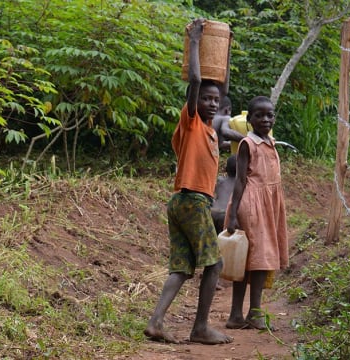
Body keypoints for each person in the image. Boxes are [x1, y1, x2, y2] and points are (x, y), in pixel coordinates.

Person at [144, 18, 233, 345]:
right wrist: (195, 41)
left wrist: (226, 52)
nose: (210, 102)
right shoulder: (192, 123)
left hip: (184, 203)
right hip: (192, 202)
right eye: (205, 99)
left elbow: (222, 86)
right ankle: (200, 327)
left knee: (182, 268)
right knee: (215, 264)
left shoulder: (211, 132)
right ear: (193, 103)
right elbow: (196, 79)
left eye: (215, 101)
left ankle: (156, 322)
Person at [224, 96, 289, 330]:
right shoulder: (247, 144)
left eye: (269, 115)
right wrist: (232, 215)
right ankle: (247, 313)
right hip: (250, 204)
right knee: (253, 260)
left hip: (267, 205)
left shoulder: (269, 141)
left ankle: (243, 314)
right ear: (249, 119)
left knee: (254, 259)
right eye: (259, 115)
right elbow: (240, 180)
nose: (265, 119)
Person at [211, 154, 237, 234]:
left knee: (215, 239)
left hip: (213, 212)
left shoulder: (220, 181)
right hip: (226, 214)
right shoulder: (242, 185)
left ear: (225, 169)